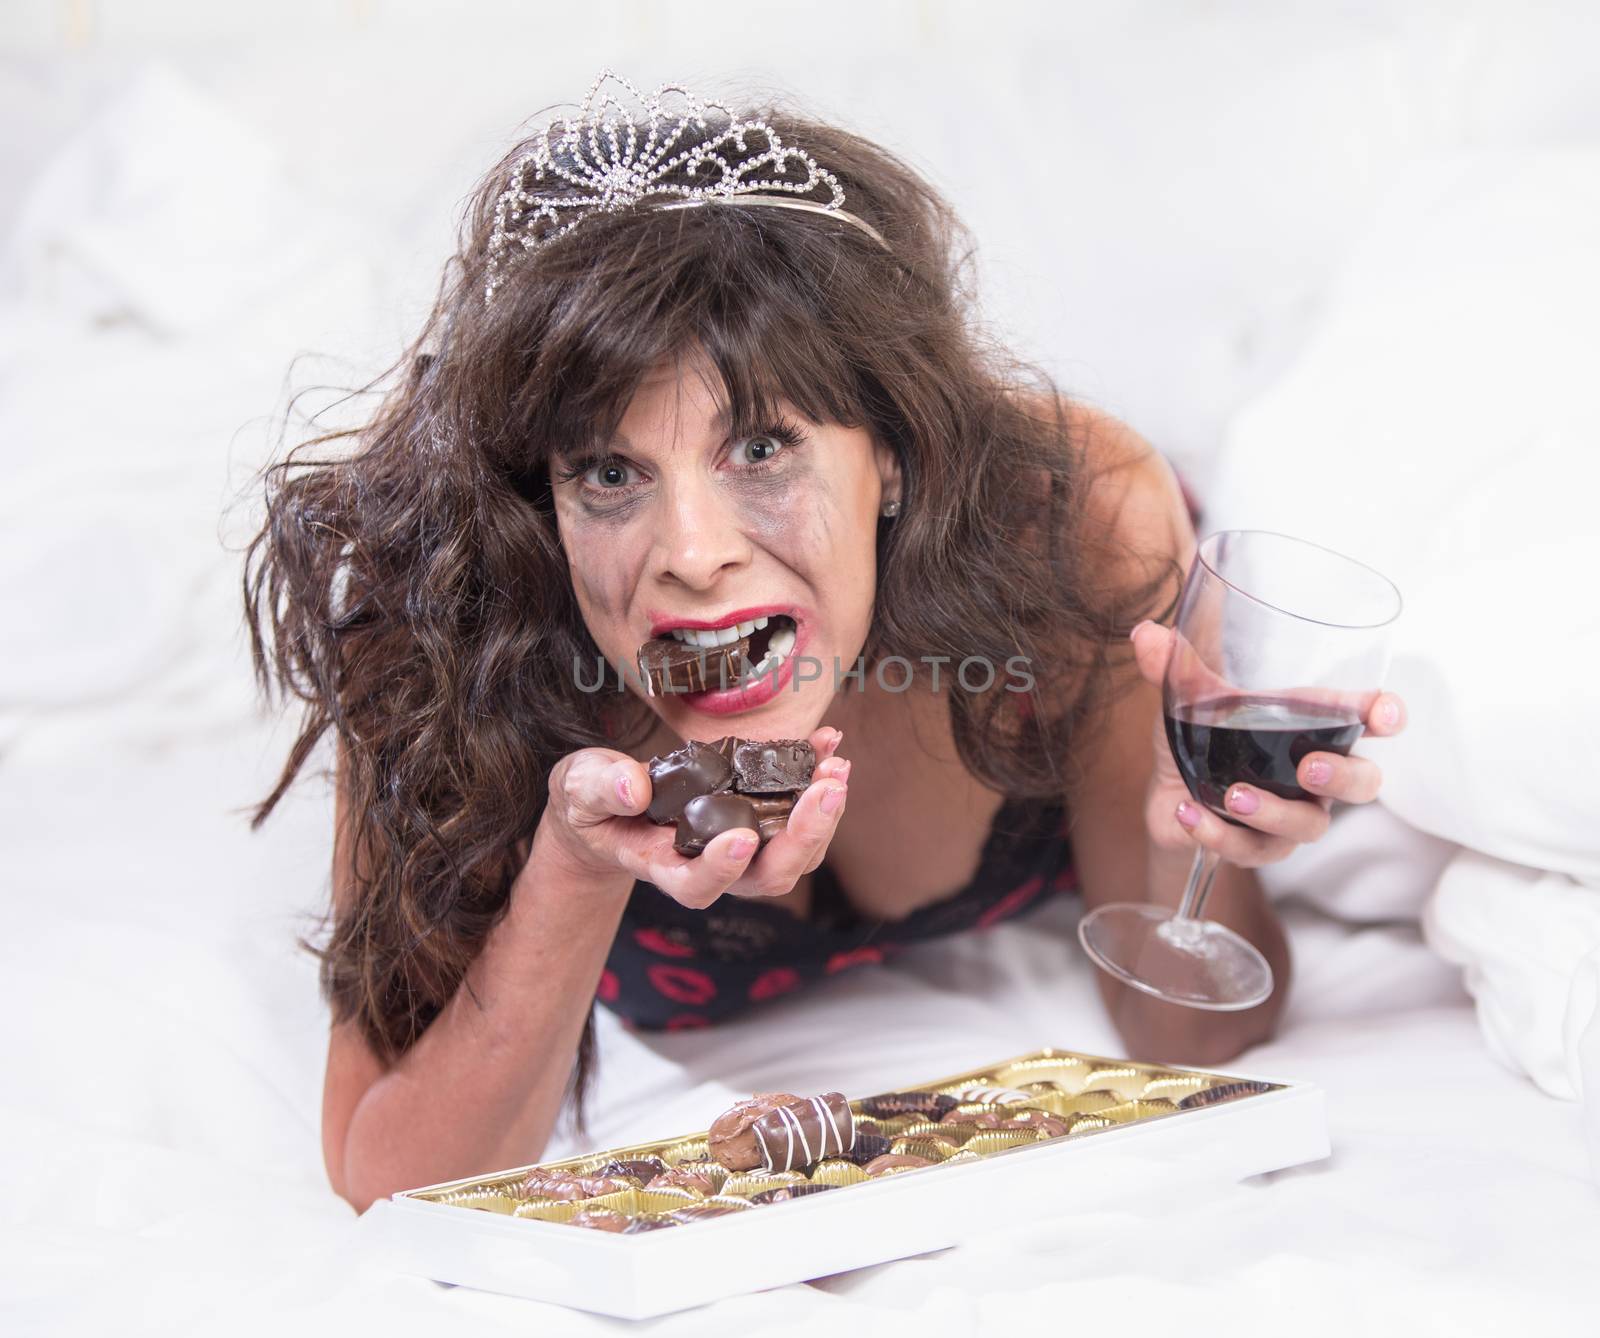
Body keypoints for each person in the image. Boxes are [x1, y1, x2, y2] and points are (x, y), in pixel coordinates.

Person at [243, 71, 1407, 1213]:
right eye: (609, 472)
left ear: (890, 451)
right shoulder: (442, 631)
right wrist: (574, 863)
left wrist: (1180, 842)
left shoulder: (1075, 528)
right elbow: (389, 1178)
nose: (691, 552)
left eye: (760, 451)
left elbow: (1185, 1032)